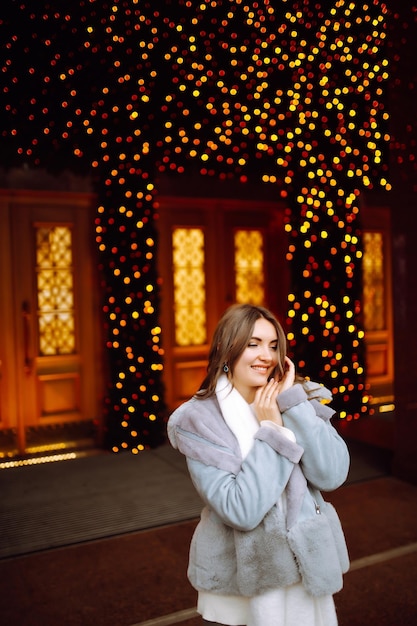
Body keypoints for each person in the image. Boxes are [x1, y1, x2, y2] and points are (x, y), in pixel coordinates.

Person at [167, 303, 350, 626]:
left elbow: (331, 474)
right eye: (253, 344)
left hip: (306, 560)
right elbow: (241, 510)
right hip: (249, 571)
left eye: (273, 345)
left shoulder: (297, 395)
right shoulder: (199, 420)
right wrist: (273, 432)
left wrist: (293, 404)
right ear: (226, 348)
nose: (266, 355)